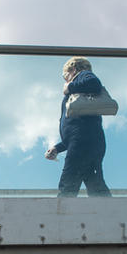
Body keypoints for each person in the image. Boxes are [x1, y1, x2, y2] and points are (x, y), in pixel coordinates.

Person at [45, 57, 111, 197]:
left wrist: (70, 87)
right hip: (88, 141)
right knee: (94, 182)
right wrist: (58, 148)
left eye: (66, 76)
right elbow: (75, 132)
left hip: (83, 142)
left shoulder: (84, 74)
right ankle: (109, 211)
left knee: (68, 183)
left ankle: (61, 215)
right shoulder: (81, 85)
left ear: (73, 69)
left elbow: (94, 83)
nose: (65, 81)